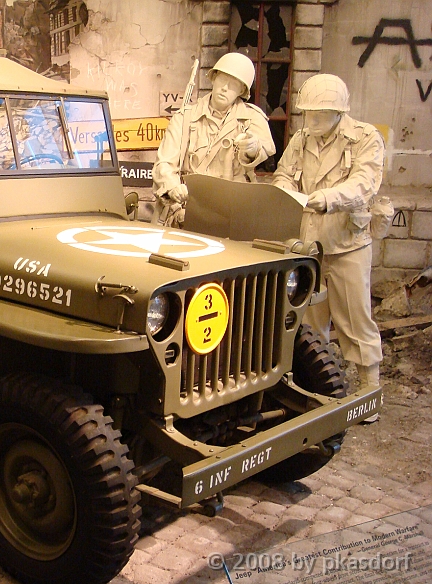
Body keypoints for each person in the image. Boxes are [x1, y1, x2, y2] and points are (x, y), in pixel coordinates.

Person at [271, 73, 384, 407]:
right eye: (308, 113)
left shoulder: (364, 138)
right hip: (309, 245)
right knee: (308, 322)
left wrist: (328, 198)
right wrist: (284, 191)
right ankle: (318, 389)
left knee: (355, 318)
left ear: (339, 113)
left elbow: (365, 183)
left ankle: (368, 392)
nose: (312, 120)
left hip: (347, 242)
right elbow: (284, 173)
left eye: (320, 114)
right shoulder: (302, 139)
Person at [152, 52, 276, 226]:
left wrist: (251, 147)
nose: (225, 88)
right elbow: (164, 163)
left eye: (233, 84)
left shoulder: (251, 118)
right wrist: (173, 187)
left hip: (232, 215)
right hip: (187, 210)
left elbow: (263, 151)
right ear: (213, 78)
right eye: (222, 80)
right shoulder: (185, 117)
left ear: (241, 91)